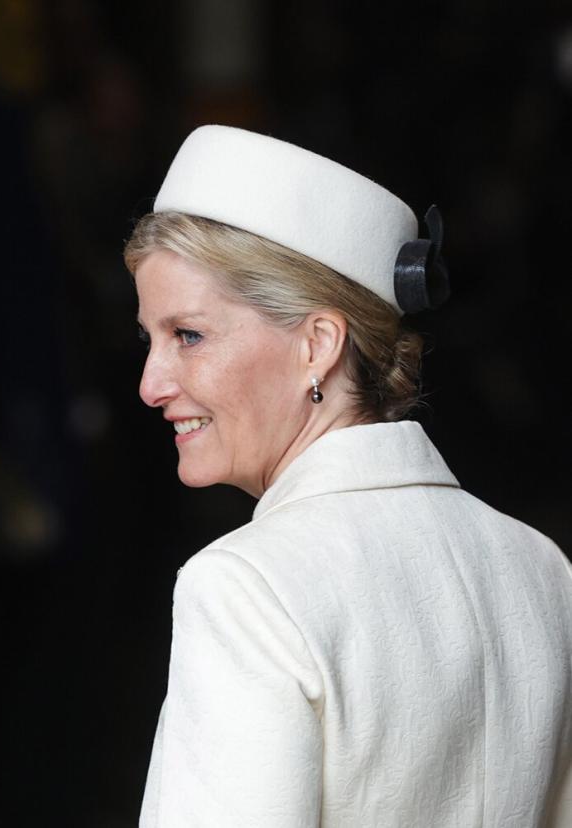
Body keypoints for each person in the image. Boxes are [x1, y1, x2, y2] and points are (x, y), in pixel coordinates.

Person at [128, 125, 572, 826]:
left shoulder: (248, 589)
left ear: (319, 345)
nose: (151, 383)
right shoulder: (541, 568)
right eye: (149, 338)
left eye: (189, 335)